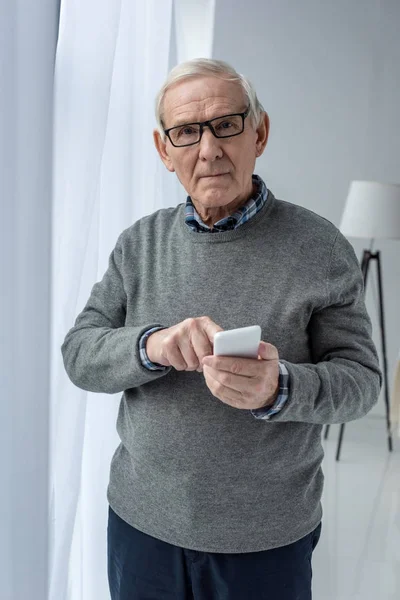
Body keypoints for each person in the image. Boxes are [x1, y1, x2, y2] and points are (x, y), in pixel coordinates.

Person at [61, 58, 382, 600]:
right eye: (186, 132)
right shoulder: (138, 244)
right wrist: (152, 345)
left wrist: (280, 386)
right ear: (165, 151)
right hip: (142, 528)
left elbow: (361, 383)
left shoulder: (319, 246)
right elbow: (79, 353)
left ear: (259, 132)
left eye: (226, 124)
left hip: (266, 542)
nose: (208, 149)